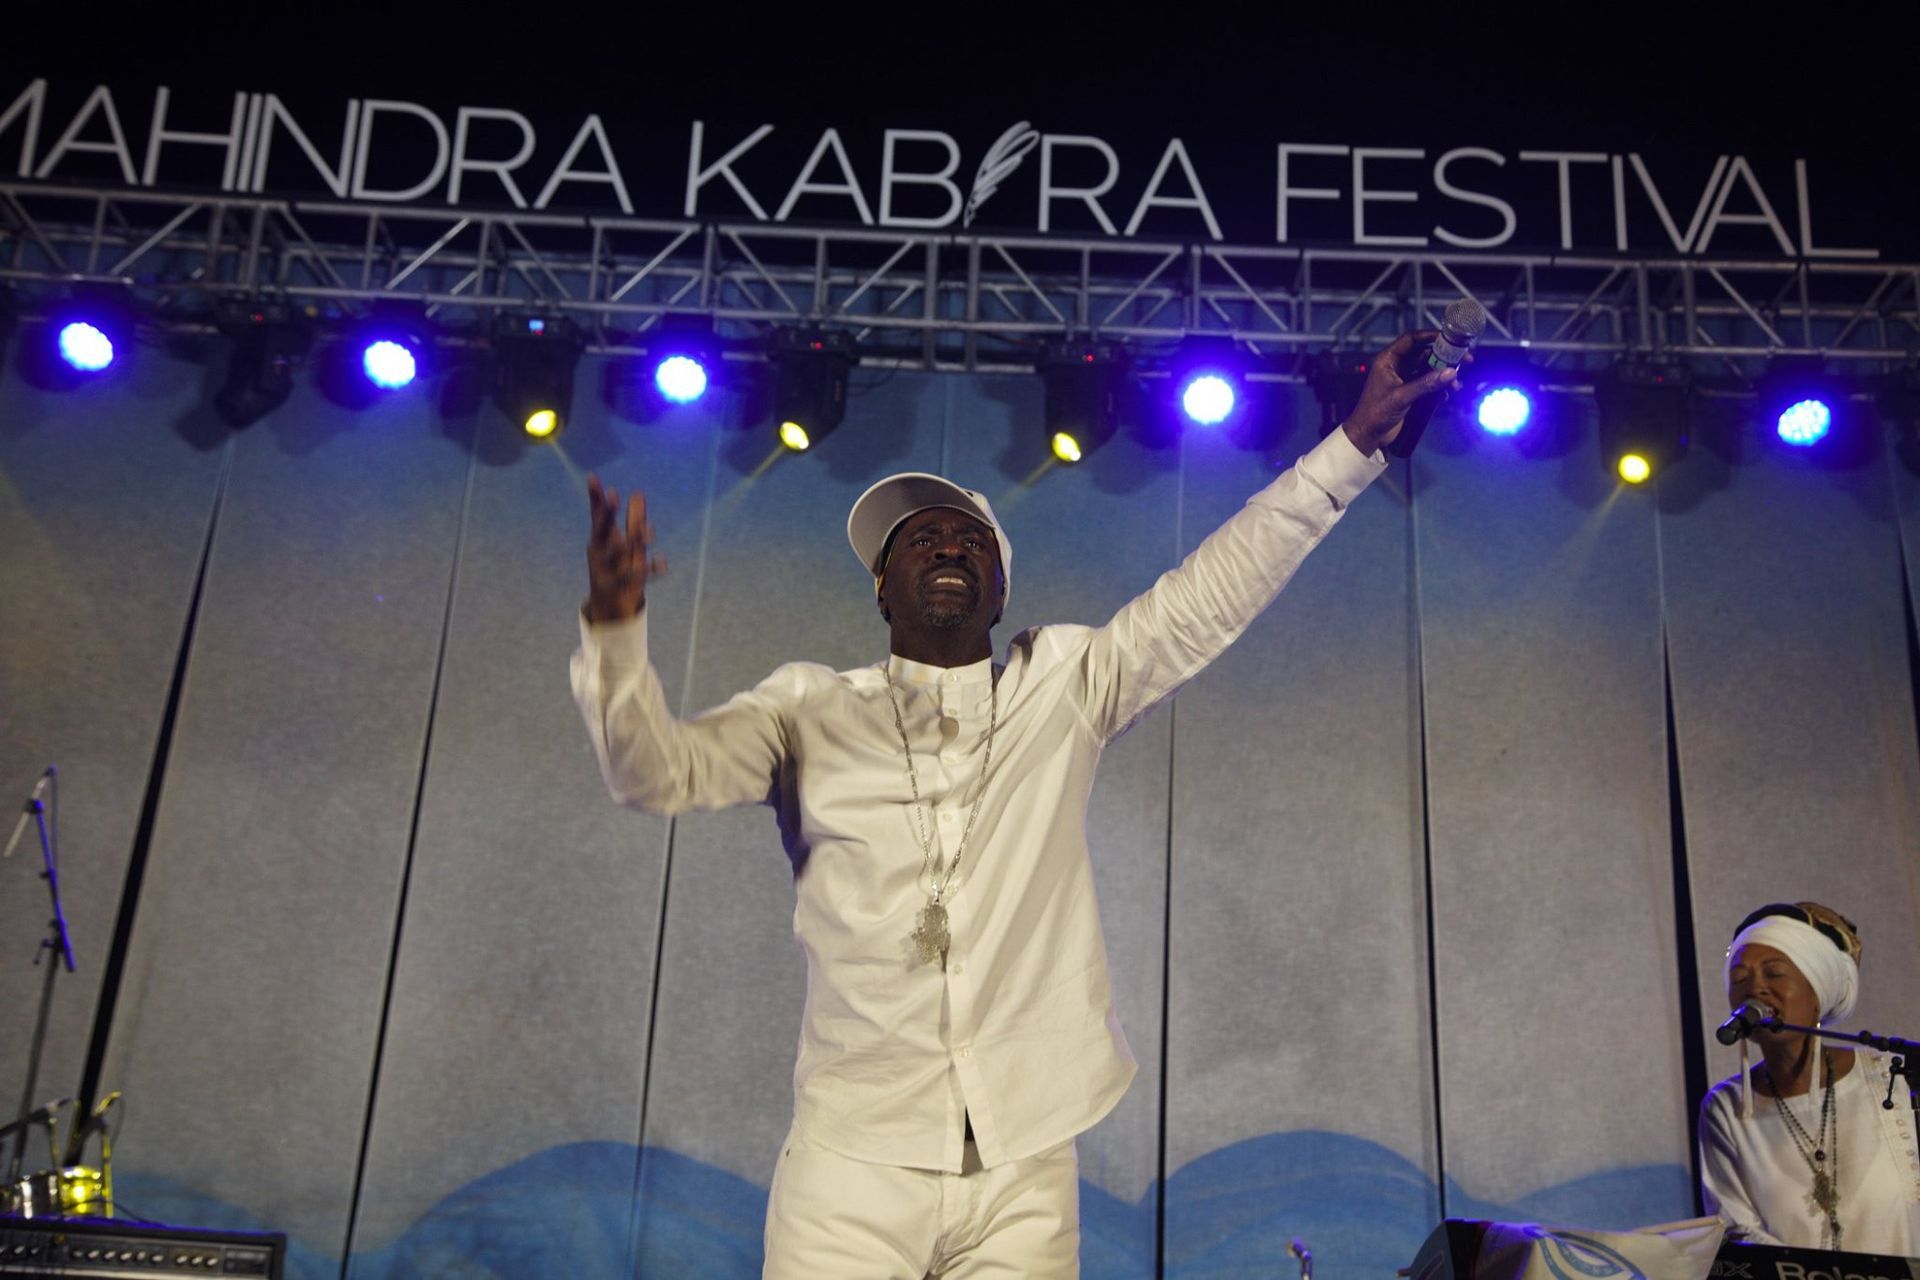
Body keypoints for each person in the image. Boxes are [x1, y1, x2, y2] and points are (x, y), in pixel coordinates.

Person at [571, 331, 1457, 1278]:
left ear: (999, 591)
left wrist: (1352, 447)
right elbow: (654, 772)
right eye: (920, 539)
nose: (946, 543)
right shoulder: (808, 709)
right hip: (850, 1168)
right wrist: (616, 634)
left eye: (969, 539)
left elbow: (1211, 592)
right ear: (882, 590)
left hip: (1024, 1166)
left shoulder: (1065, 683)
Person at [1699, 902, 1920, 1255]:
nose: (1756, 987)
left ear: (1816, 993)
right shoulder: (1726, 1107)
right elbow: (1738, 1233)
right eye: (1740, 978)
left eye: (1774, 973)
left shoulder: (1895, 1076)